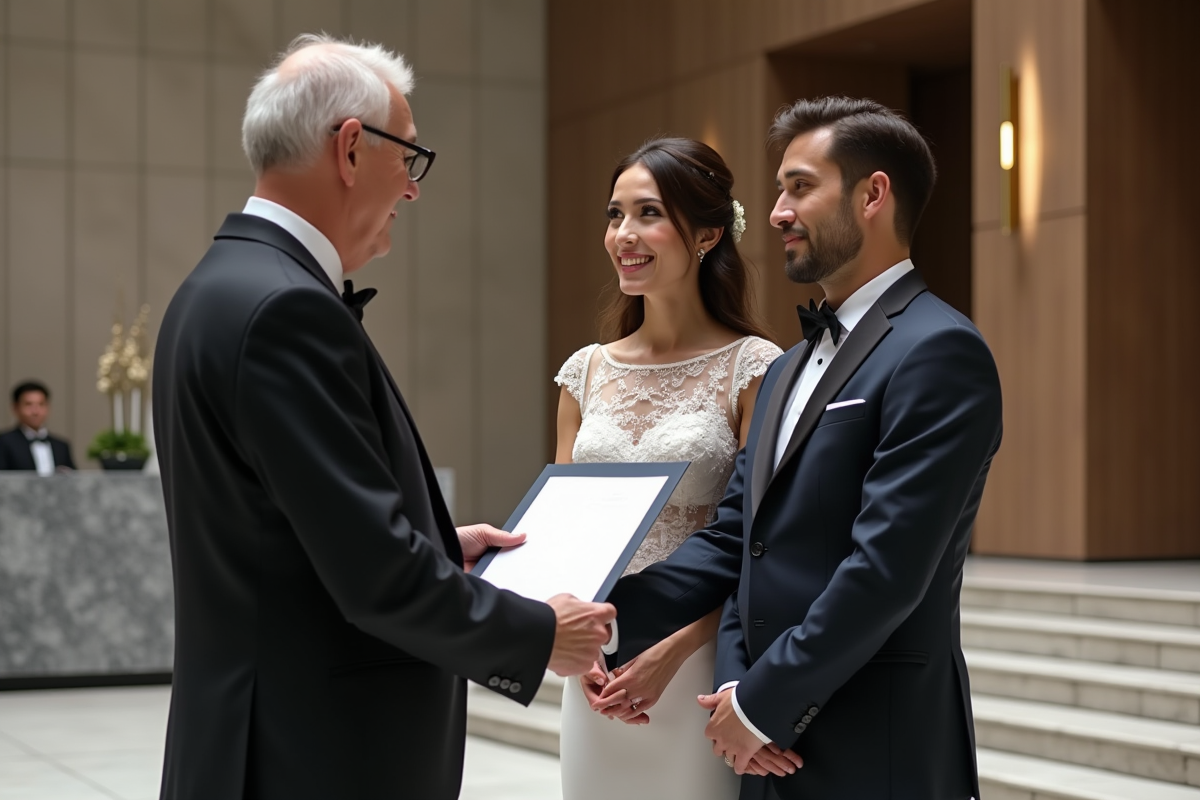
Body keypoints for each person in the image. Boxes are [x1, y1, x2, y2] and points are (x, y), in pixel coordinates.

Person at [152, 34, 615, 800]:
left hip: (254, 732)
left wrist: (437, 543)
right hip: (313, 754)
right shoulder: (286, 309)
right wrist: (537, 634)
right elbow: (376, 580)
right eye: (409, 158)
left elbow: (283, 531)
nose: (412, 189)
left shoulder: (216, 286)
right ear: (350, 149)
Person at [602, 97, 1003, 800]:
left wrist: (762, 703)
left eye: (799, 187)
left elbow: (886, 568)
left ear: (873, 194)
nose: (778, 212)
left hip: (876, 744)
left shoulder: (939, 350)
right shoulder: (785, 369)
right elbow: (739, 542)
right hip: (758, 748)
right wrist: (597, 616)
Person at [554, 137, 784, 800]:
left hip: (695, 668)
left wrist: (671, 652)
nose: (624, 234)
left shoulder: (755, 369)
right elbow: (568, 536)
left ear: (709, 233)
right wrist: (582, 647)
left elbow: (760, 545)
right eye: (614, 214)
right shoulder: (583, 373)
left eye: (648, 213)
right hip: (595, 669)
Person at [0, 381, 76, 474]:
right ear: (15, 408)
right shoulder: (4, 442)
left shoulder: (61, 446)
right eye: (28, 404)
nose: (35, 411)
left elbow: (74, 480)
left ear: (48, 407)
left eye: (41, 404)